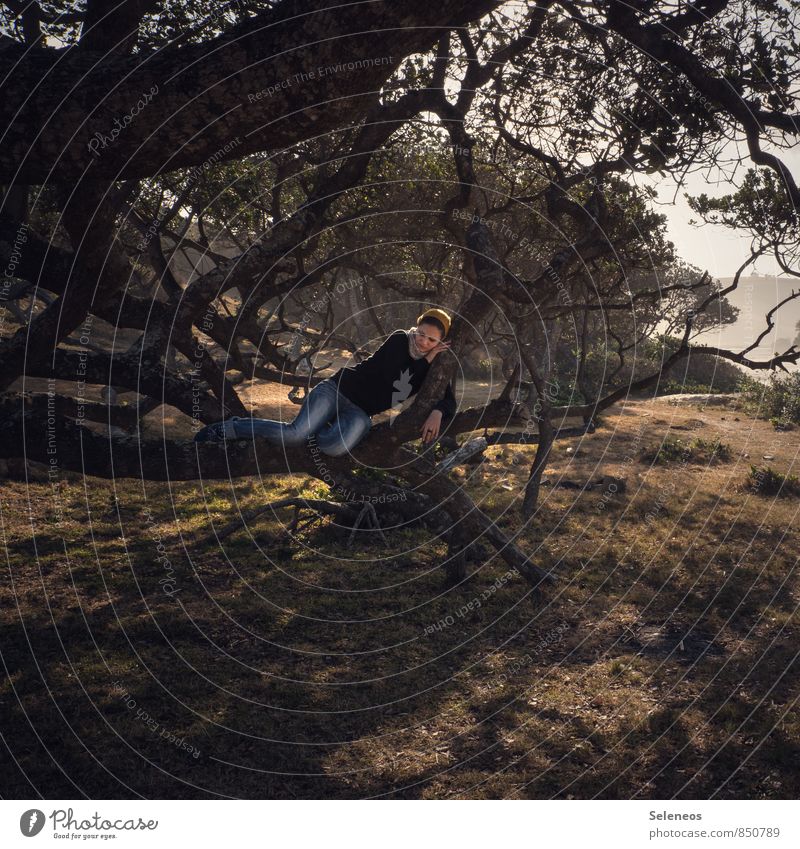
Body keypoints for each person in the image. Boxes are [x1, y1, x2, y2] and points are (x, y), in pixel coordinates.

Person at [194, 308, 457, 456]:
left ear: (440, 342)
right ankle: (231, 429)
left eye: (431, 340)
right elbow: (392, 374)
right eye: (421, 334)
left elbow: (449, 400)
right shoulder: (401, 339)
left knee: (333, 447)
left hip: (360, 411)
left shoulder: (435, 367)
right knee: (295, 434)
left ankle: (325, 424)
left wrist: (437, 411)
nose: (423, 342)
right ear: (416, 328)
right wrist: (428, 358)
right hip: (337, 390)